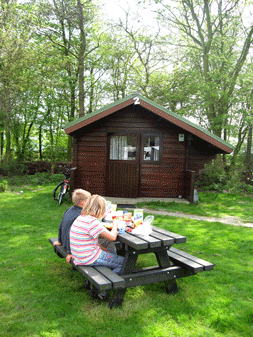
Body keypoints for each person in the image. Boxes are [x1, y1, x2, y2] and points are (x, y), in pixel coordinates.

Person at [70, 194, 124, 300]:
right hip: (89, 258)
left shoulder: (81, 218)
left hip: (80, 257)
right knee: (125, 263)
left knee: (111, 253)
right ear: (100, 209)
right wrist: (116, 225)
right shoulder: (92, 222)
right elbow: (113, 237)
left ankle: (98, 283)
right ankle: (102, 288)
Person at [53, 189, 91, 263]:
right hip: (70, 246)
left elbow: (60, 226)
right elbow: (70, 233)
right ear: (83, 203)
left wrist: (60, 241)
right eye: (89, 201)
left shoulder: (69, 209)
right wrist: (70, 252)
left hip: (64, 242)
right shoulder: (81, 215)